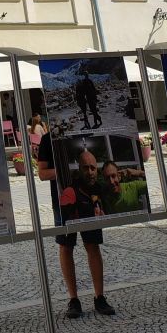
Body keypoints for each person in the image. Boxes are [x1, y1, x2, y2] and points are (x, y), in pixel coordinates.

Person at [38, 135, 115, 317]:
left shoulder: (82, 134)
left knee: (93, 245)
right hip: (63, 202)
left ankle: (100, 297)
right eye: (85, 167)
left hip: (89, 202)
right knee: (66, 247)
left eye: (92, 168)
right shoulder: (48, 139)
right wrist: (64, 171)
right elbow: (42, 174)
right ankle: (73, 300)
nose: (89, 171)